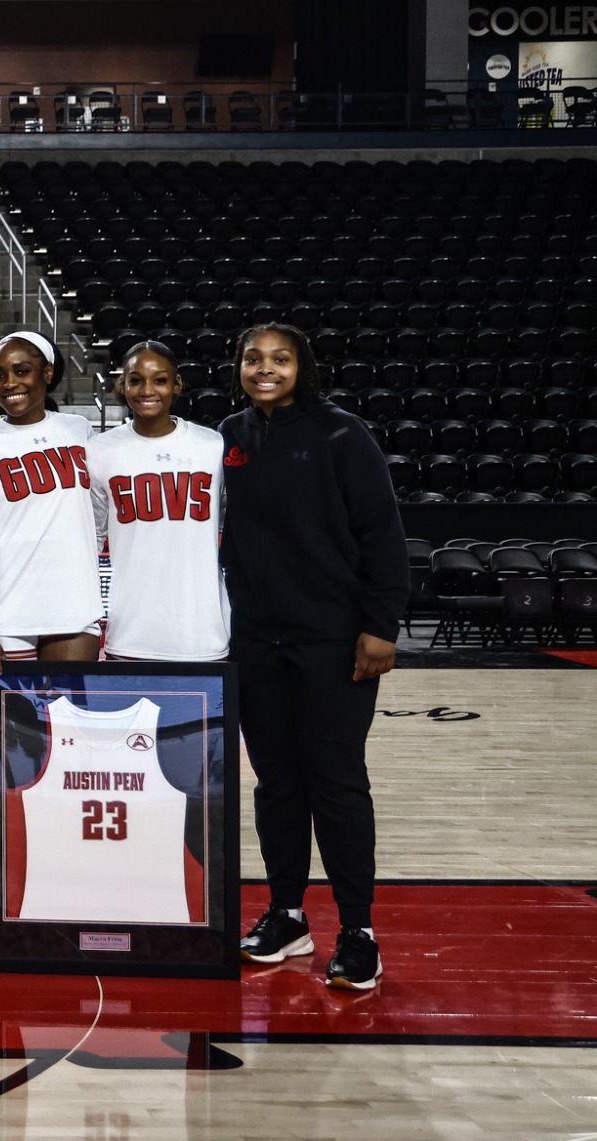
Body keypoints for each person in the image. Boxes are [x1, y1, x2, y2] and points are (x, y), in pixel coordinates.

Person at [220, 322, 407, 992]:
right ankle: (287, 914)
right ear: (239, 367)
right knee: (275, 783)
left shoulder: (341, 434)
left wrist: (380, 626)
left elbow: (382, 534)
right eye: (253, 358)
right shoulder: (230, 437)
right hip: (256, 641)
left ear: (302, 366)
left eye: (280, 358)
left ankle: (358, 930)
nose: (265, 368)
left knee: (336, 780)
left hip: (332, 640)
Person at [0, 331, 103, 673]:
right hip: (5, 613)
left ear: (47, 373)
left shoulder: (79, 429)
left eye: (21, 371)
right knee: (12, 711)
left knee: (66, 708)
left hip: (73, 605)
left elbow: (98, 509)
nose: (9, 383)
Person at [86, 340, 229, 662]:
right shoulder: (99, 451)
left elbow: (226, 526)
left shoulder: (212, 446)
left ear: (176, 384)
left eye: (160, 380)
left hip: (203, 635)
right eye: (136, 380)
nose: (147, 390)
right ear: (123, 385)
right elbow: (92, 538)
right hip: (130, 634)